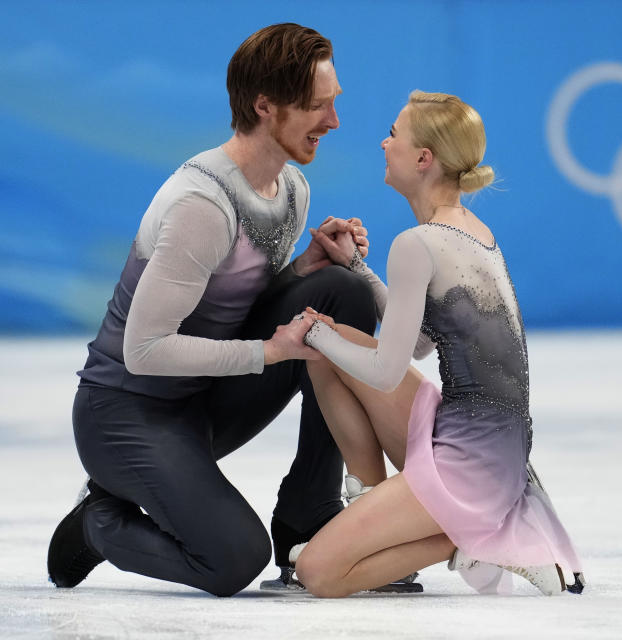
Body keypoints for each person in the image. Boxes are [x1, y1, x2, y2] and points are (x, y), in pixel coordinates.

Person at [46, 23, 380, 597]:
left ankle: (308, 513)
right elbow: (144, 350)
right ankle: (99, 523)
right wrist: (273, 351)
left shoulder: (291, 188)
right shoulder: (202, 203)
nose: (333, 122)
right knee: (233, 559)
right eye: (316, 107)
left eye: (333, 103)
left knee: (340, 296)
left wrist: (309, 269)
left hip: (202, 400)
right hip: (126, 413)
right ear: (265, 107)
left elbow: (236, 295)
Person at [286, 90, 585, 597]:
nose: (383, 142)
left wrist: (306, 331)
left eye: (394, 134)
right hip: (493, 447)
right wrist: (355, 269)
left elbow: (384, 371)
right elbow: (422, 344)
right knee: (331, 350)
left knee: (317, 571)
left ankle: (471, 538)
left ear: (424, 158)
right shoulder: (472, 230)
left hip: (472, 463)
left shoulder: (416, 244)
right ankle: (370, 507)